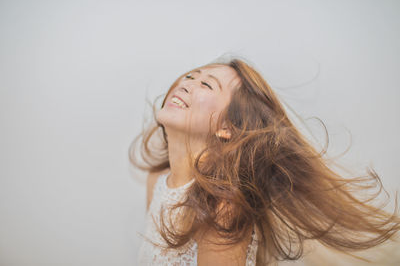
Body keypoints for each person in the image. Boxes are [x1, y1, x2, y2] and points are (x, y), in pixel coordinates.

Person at [129, 56, 400, 266]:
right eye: (190, 75)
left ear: (227, 127)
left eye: (206, 84)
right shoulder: (156, 183)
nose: (186, 83)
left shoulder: (222, 211)